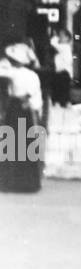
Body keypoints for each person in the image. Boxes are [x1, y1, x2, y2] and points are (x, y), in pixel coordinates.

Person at [0, 42, 45, 192]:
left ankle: (9, 182)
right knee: (25, 145)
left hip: (14, 107)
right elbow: (35, 95)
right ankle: (28, 182)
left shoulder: (10, 72)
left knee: (10, 144)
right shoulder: (32, 75)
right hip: (25, 108)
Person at [49, 27, 73, 109]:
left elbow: (53, 43)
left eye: (61, 36)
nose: (60, 37)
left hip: (63, 73)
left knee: (61, 91)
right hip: (62, 73)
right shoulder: (64, 48)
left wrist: (55, 36)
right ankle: (62, 104)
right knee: (62, 91)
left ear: (67, 38)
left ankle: (61, 104)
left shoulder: (65, 47)